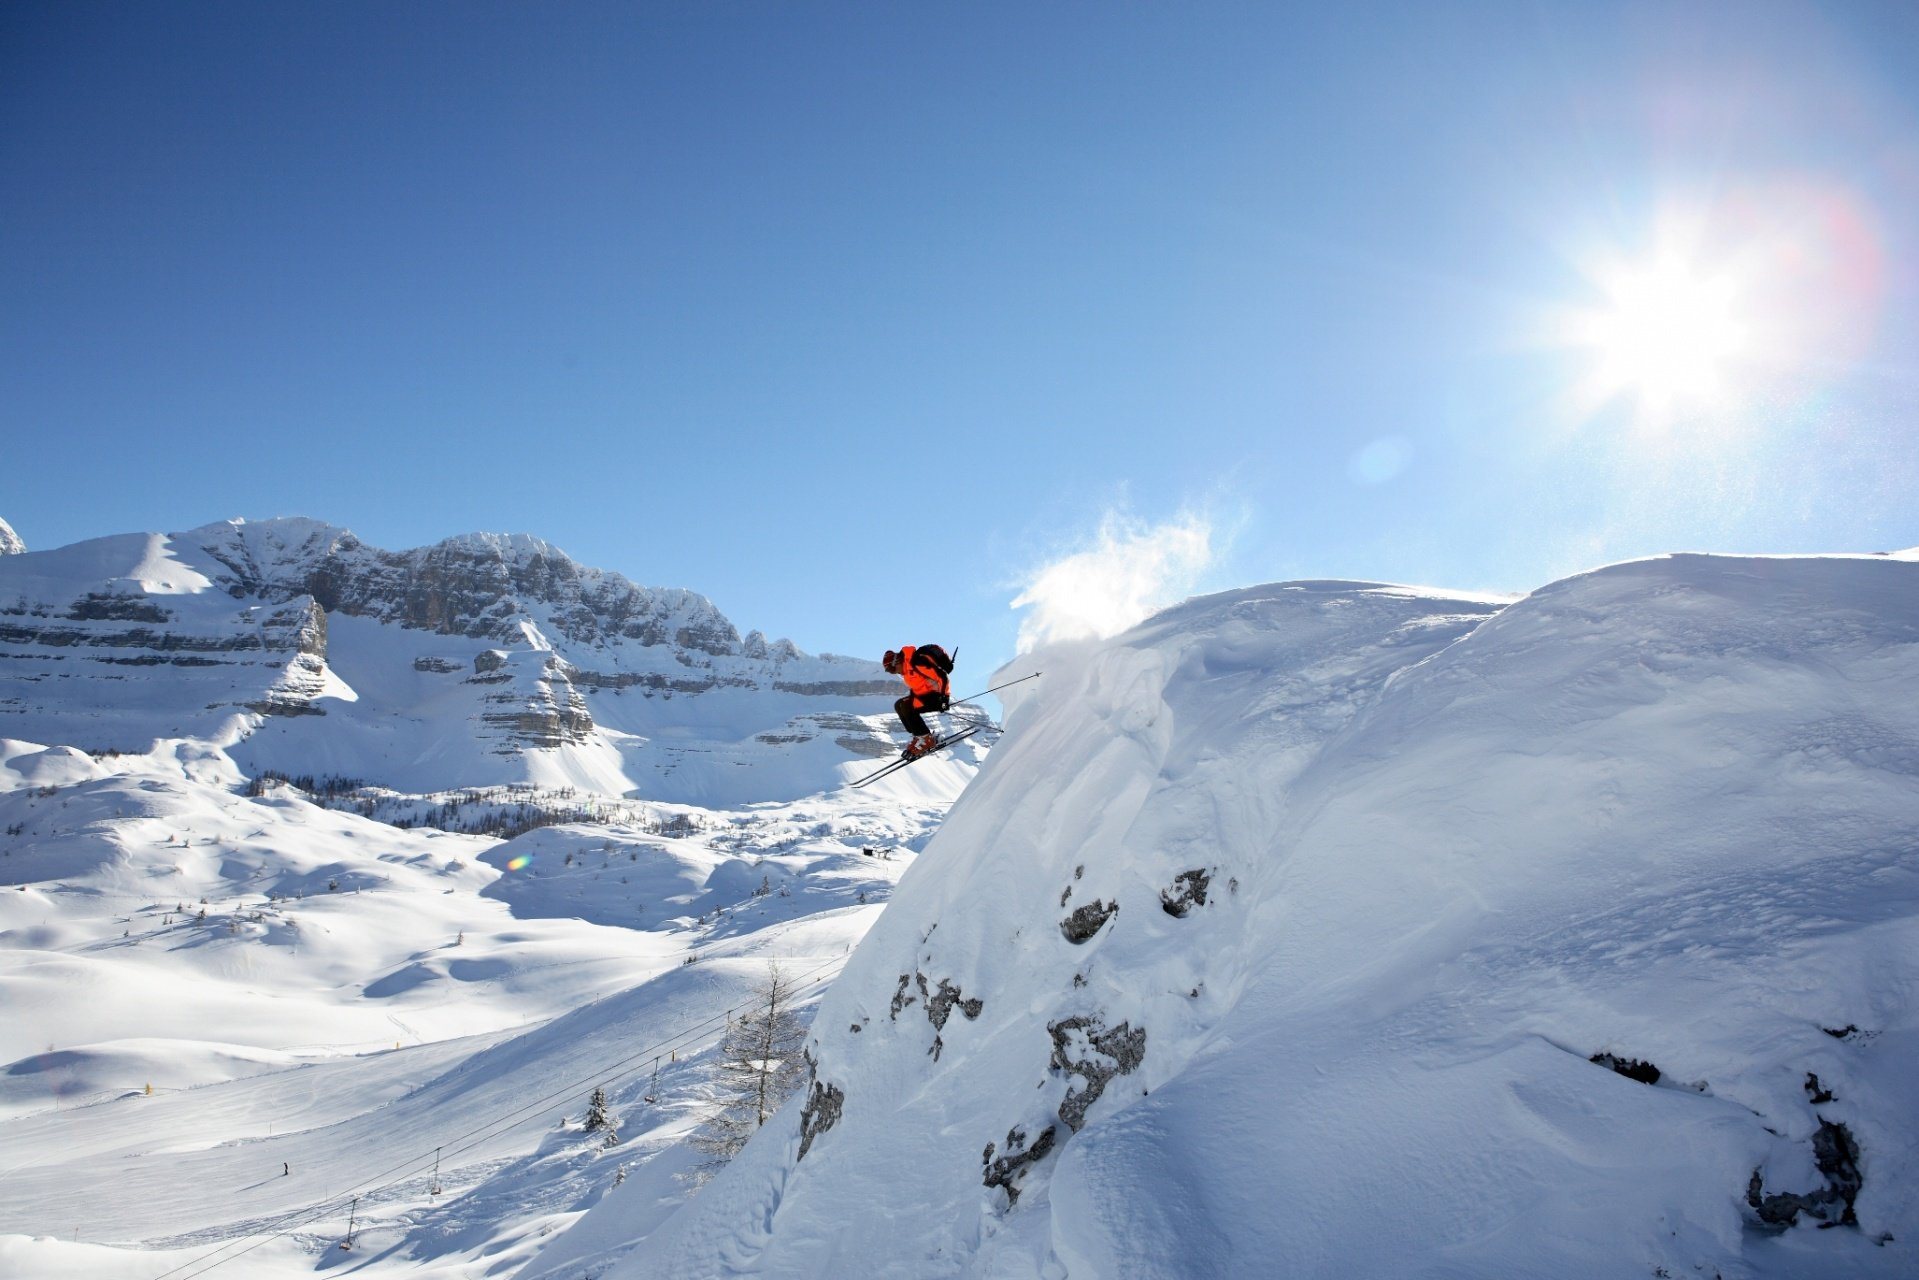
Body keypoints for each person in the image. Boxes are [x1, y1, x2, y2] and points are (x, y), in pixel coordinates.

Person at [883, 645, 952, 758]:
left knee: (907, 707)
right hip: (926, 696)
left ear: (897, 662)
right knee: (899, 705)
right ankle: (919, 736)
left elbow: (942, 677)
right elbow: (918, 688)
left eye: (891, 669)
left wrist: (945, 699)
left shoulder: (917, 663)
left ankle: (927, 739)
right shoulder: (907, 671)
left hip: (937, 696)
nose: (893, 673)